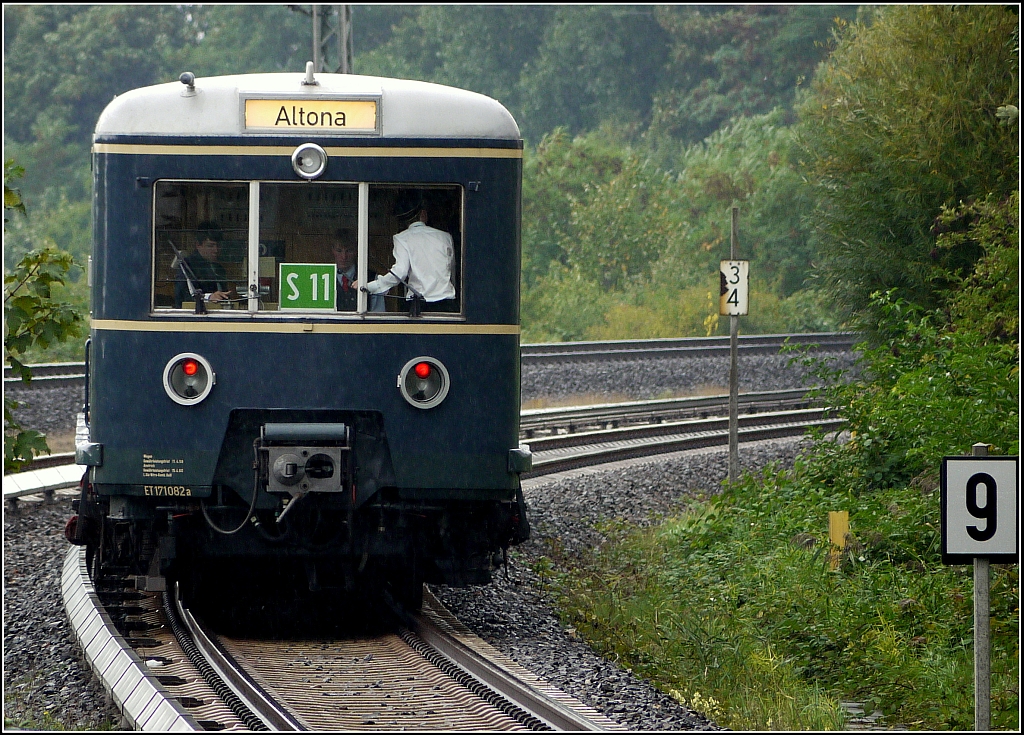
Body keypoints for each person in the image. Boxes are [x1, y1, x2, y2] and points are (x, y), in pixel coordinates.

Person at [356, 204, 456, 314]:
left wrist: (369, 286)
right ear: (423, 214)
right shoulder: (445, 236)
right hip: (447, 303)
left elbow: (400, 273)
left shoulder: (402, 238)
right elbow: (451, 271)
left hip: (419, 304)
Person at [174, 222, 232, 308]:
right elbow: (184, 296)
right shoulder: (187, 265)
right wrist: (209, 297)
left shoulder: (219, 269)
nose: (216, 250)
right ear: (198, 245)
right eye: (210, 246)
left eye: (218, 246)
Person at [332, 229, 384, 312]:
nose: (344, 257)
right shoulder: (324, 277)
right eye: (339, 251)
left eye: (349, 251)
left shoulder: (372, 278)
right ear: (333, 251)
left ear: (356, 251)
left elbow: (378, 314)